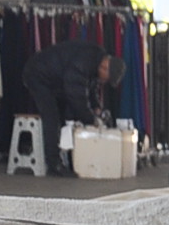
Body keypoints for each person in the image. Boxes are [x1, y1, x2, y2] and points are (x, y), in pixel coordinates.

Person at [20, 38, 121, 177]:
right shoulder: (86, 61)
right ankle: (54, 164)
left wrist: (96, 107)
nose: (104, 81)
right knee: (51, 116)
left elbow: (89, 88)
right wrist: (90, 119)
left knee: (61, 114)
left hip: (52, 79)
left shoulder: (94, 60)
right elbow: (76, 94)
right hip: (38, 75)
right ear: (105, 67)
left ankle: (62, 159)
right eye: (107, 78)